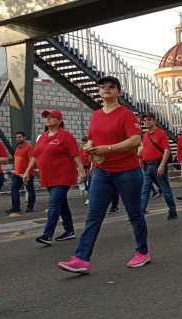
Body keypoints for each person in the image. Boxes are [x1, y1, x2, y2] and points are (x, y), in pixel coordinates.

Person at [58, 76, 150, 273]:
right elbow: (91, 139)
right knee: (93, 215)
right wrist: (89, 147)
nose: (106, 89)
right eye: (102, 87)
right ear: (99, 91)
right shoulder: (96, 115)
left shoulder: (126, 114)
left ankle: (142, 252)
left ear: (118, 92)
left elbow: (135, 140)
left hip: (127, 172)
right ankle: (81, 258)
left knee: (134, 214)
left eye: (111, 87)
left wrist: (107, 149)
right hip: (102, 172)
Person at [26, 110, 84, 245]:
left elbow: (75, 154)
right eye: (47, 117)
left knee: (54, 204)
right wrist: (27, 171)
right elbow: (35, 156)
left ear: (59, 120)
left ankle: (47, 235)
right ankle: (69, 231)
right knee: (62, 204)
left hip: (63, 176)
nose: (48, 119)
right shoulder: (42, 137)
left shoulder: (65, 136)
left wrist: (81, 170)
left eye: (51, 117)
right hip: (48, 177)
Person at [138, 113, 178, 220]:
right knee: (145, 190)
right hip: (147, 165)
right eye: (145, 120)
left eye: (149, 120)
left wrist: (162, 165)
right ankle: (141, 212)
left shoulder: (161, 133)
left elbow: (166, 150)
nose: (146, 122)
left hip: (157, 164)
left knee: (165, 189)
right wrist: (141, 160)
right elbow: (144, 149)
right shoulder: (145, 135)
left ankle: (172, 210)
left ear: (154, 121)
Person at [6, 131, 35, 217]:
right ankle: (16, 207)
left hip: (27, 174)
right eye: (17, 137)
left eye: (20, 137)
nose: (18, 139)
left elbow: (32, 160)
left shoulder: (29, 147)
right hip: (17, 174)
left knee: (30, 190)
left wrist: (28, 173)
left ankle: (30, 207)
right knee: (14, 189)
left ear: (24, 138)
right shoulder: (18, 148)